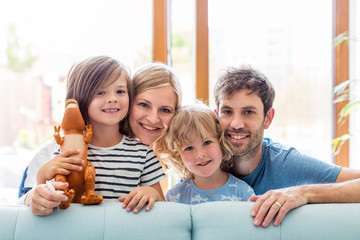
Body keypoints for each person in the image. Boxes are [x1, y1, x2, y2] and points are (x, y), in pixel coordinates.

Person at [214, 65, 360, 227]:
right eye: (227, 112)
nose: (236, 124)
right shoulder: (203, 160)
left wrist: (304, 192)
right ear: (216, 115)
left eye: (248, 112)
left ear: (268, 118)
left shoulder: (286, 163)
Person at [21, 56, 166, 215]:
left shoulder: (143, 155)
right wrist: (42, 179)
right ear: (80, 99)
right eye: (100, 92)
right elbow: (49, 203)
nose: (112, 99)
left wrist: (152, 194)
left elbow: (164, 211)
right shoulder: (66, 151)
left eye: (120, 91)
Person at [155, 103, 255, 204]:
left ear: (221, 142)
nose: (200, 154)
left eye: (207, 142)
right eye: (189, 148)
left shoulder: (243, 193)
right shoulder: (174, 197)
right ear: (178, 156)